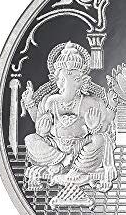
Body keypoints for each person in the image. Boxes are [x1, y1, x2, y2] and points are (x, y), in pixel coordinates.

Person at [22, 41, 117, 192]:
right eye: (62, 80)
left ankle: (76, 168)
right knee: (31, 139)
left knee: (99, 139)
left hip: (81, 147)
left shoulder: (90, 102)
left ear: (83, 82)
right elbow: (39, 124)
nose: (66, 85)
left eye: (74, 80)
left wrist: (94, 127)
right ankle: (61, 161)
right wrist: (31, 107)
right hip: (56, 146)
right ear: (56, 80)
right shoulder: (49, 101)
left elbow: (104, 128)